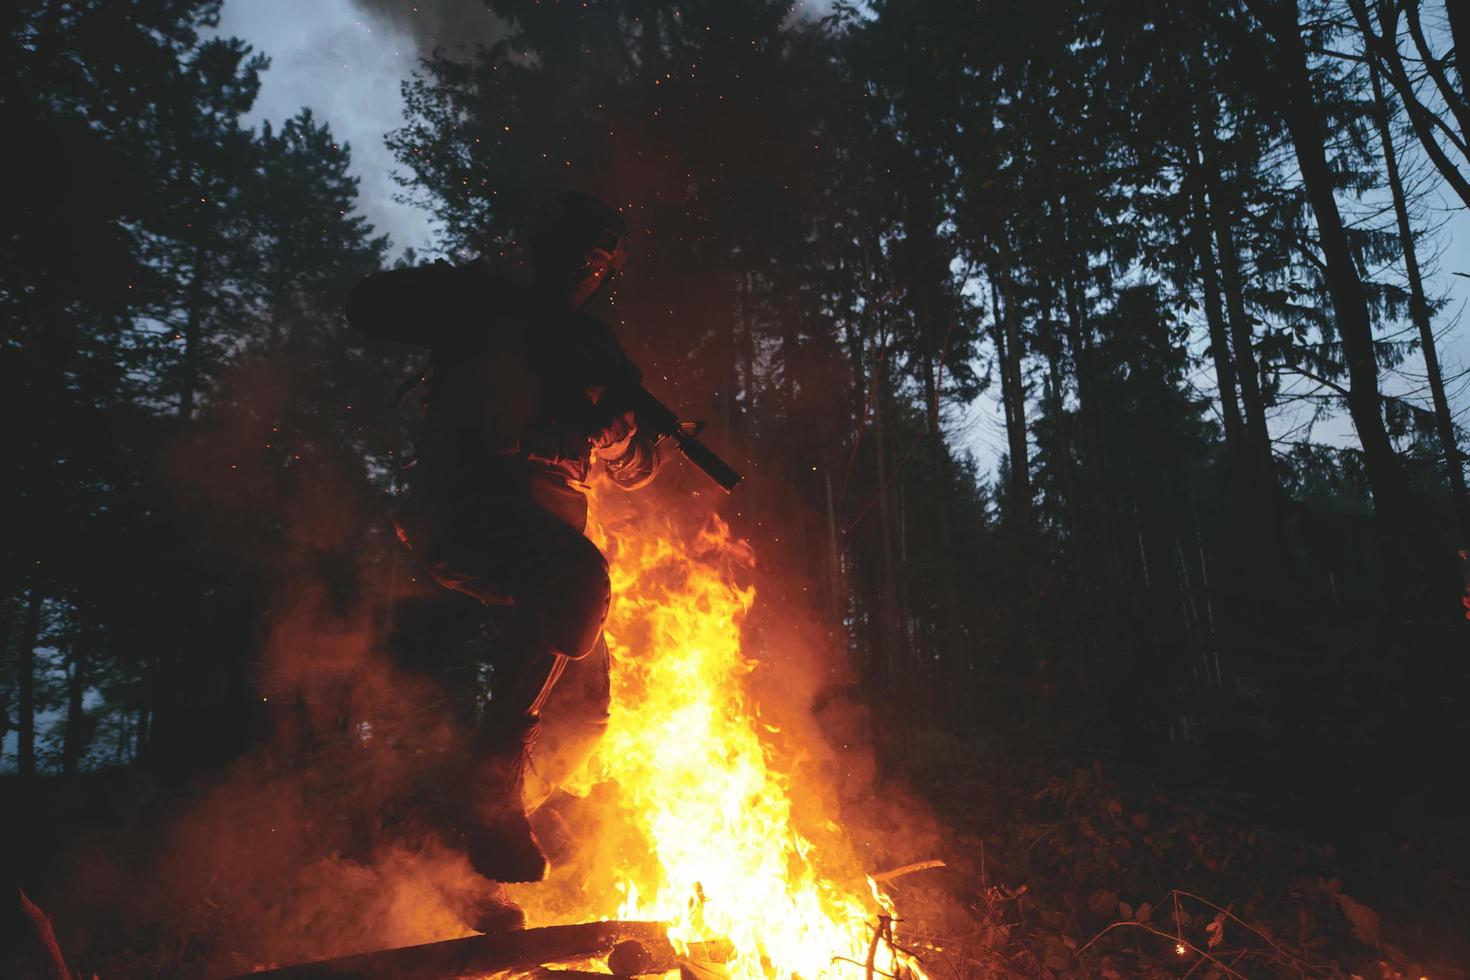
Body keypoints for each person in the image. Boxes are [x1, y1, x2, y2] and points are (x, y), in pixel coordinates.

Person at [345, 191, 660, 926]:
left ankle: (455, 850)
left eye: (604, 253)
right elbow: (367, 306)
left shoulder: (598, 348)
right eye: (582, 241)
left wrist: (615, 435)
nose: (590, 259)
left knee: (584, 719)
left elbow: (641, 463)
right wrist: (464, 306)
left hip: (551, 532)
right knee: (579, 581)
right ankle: (489, 795)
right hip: (466, 509)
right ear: (545, 247)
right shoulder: (487, 309)